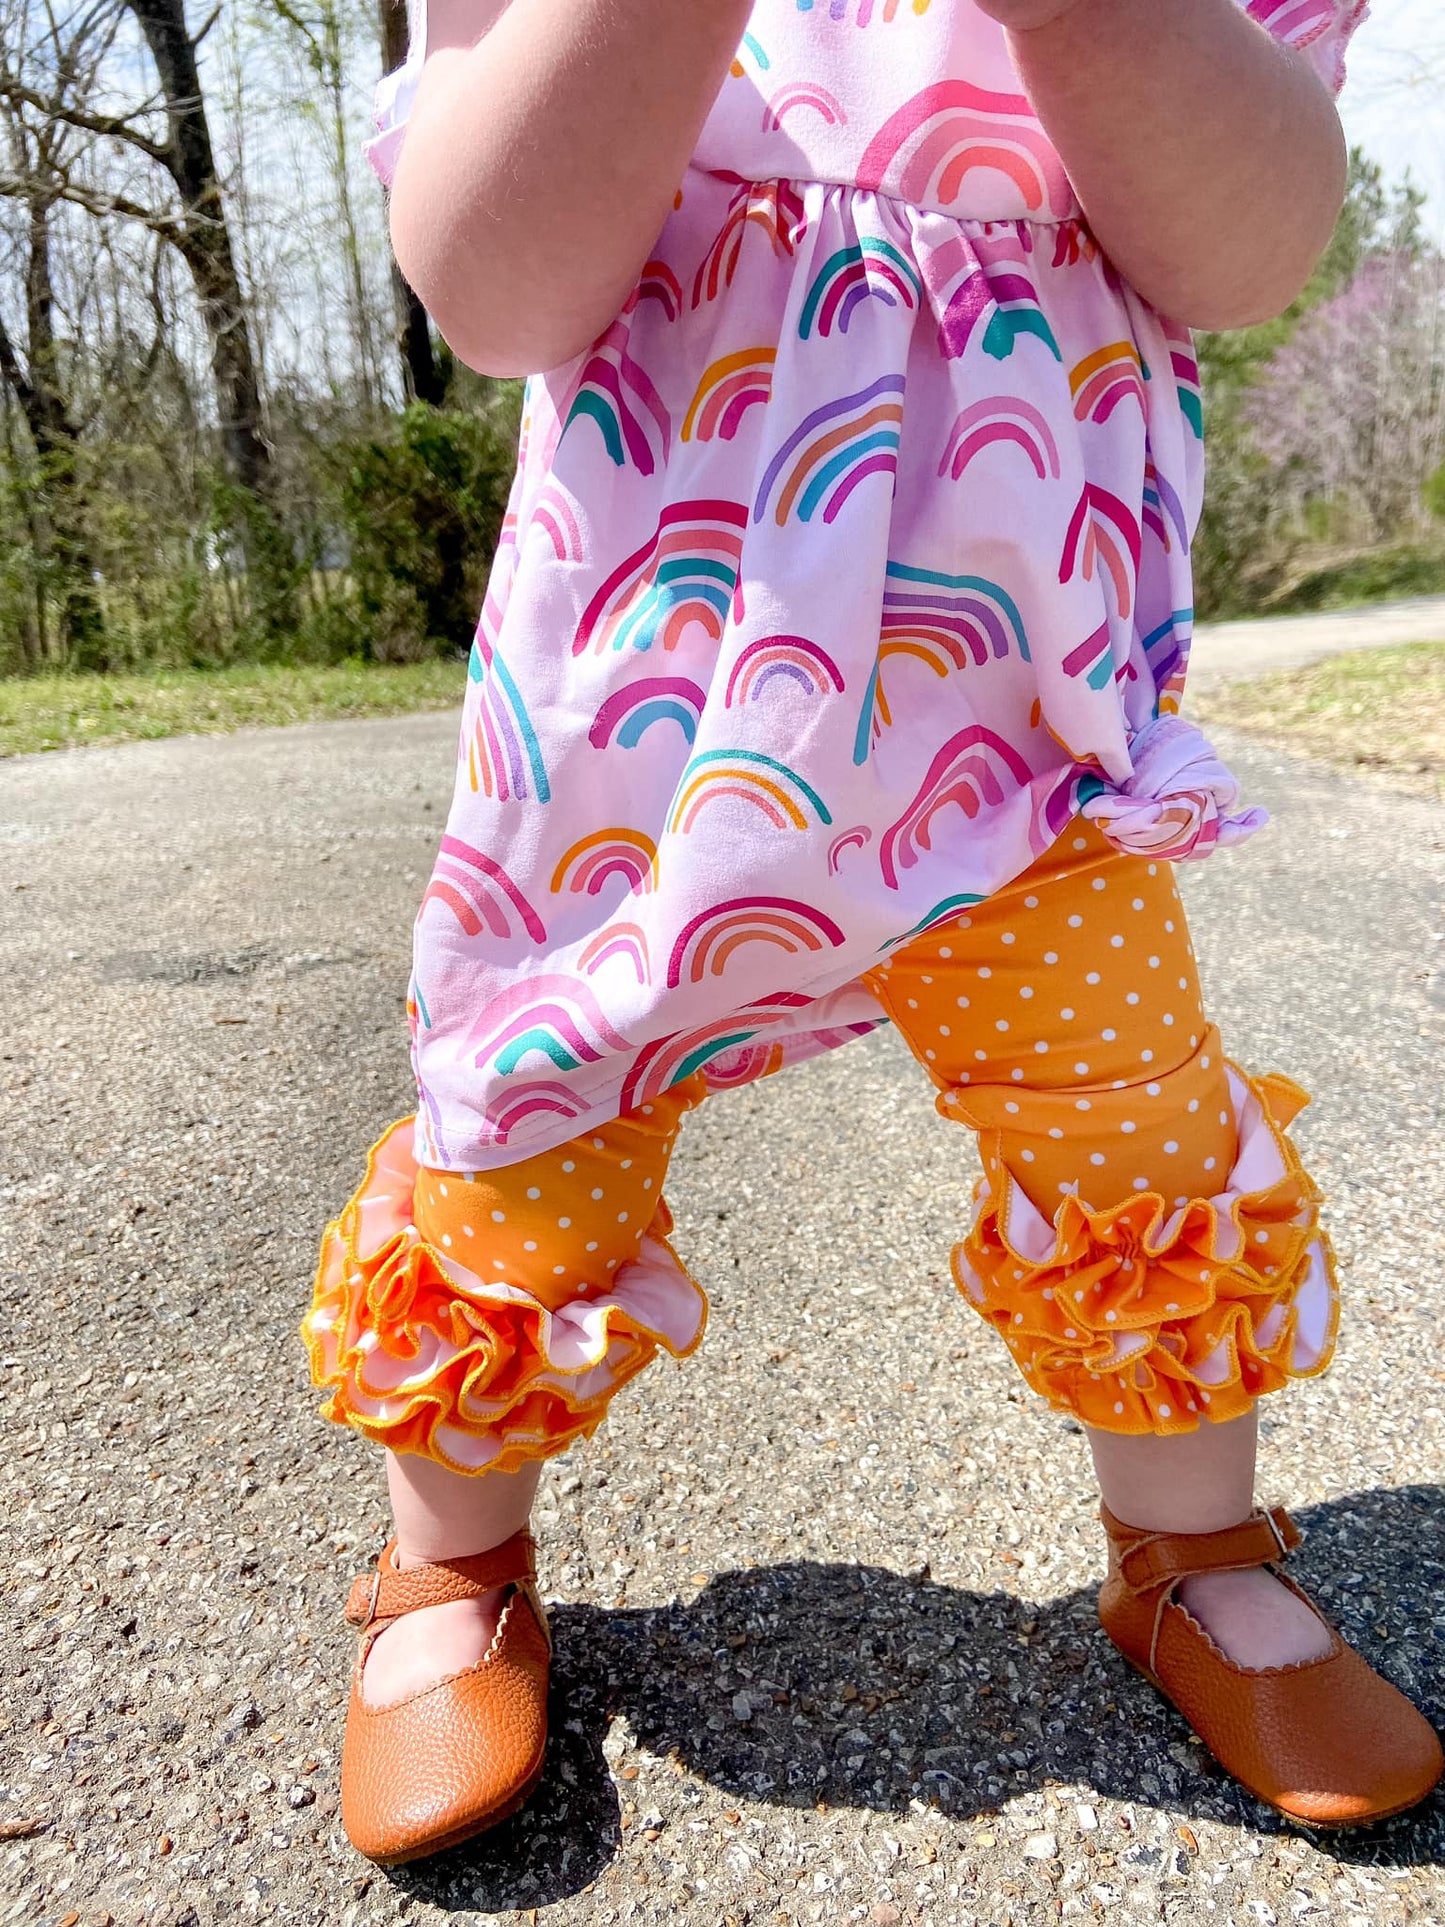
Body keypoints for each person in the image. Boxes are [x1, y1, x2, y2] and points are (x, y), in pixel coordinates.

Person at [304, 0, 1443, 1865]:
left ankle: (1186, 1548)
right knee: (531, 1125)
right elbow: (493, 288)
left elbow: (1239, 256)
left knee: (1128, 1125)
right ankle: (450, 1559)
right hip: (648, 716)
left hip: (1023, 713)